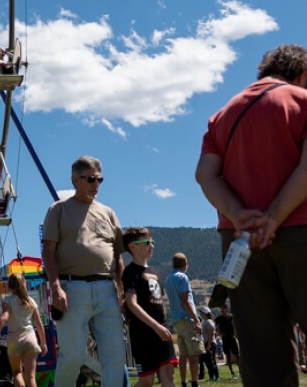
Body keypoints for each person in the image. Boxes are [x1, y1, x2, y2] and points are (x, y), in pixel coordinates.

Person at [195, 44, 307, 387]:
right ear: (304, 76)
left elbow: (205, 174)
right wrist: (274, 216)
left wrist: (240, 215)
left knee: (262, 355)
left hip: (240, 241)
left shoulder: (221, 116)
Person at [42, 155, 127, 387]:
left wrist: (122, 290)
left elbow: (117, 255)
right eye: (90, 179)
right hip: (72, 289)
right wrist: (56, 287)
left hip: (106, 290)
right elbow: (48, 251)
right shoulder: (58, 210)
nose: (95, 185)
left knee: (115, 358)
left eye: (100, 180)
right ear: (75, 180)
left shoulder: (109, 213)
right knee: (73, 357)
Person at [120, 228, 176, 387]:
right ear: (133, 247)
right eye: (147, 242)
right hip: (143, 332)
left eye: (153, 242)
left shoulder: (155, 272)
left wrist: (163, 325)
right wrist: (155, 326)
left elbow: (161, 300)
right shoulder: (130, 272)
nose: (152, 245)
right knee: (147, 381)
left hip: (162, 329)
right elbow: (132, 303)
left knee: (168, 373)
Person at [0, 273, 47, 387]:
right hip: (30, 338)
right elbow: (39, 324)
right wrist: (43, 343)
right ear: (24, 284)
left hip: (14, 340)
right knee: (31, 376)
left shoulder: (7, 300)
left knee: (17, 373)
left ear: (10, 286)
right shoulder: (30, 301)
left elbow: (5, 317)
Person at [164, 252, 202, 387]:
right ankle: (195, 382)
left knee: (183, 355)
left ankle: (184, 382)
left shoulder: (168, 278)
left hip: (176, 321)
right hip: (187, 319)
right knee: (194, 354)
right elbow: (186, 300)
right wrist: (197, 320)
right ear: (185, 264)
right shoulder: (183, 277)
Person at [213, 304, 238, 379]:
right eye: (221, 308)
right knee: (228, 356)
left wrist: (235, 333)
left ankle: (240, 371)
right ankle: (232, 373)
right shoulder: (218, 319)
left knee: (237, 355)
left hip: (232, 338)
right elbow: (215, 327)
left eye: (224, 308)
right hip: (225, 339)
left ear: (226, 309)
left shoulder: (231, 318)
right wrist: (219, 333)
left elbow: (235, 326)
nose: (222, 310)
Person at [198, 307, 219, 383]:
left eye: (201, 312)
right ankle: (211, 377)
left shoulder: (209, 322)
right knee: (207, 362)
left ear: (205, 313)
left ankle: (216, 377)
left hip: (210, 343)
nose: (200, 313)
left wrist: (209, 344)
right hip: (205, 343)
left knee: (211, 361)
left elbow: (211, 334)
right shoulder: (204, 321)